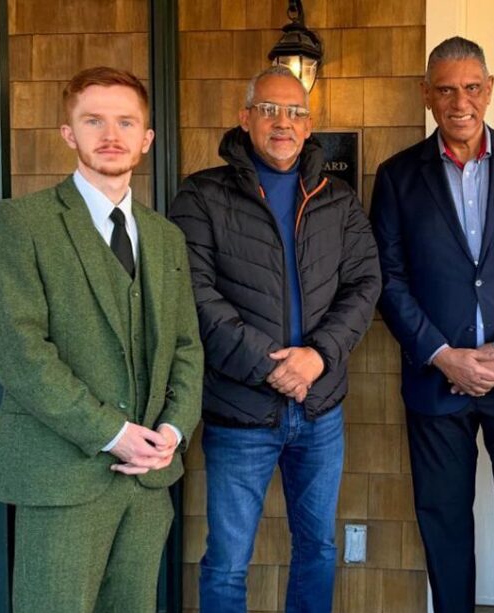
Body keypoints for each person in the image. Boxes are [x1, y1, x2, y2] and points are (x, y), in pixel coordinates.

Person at [0, 66, 203, 612]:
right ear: (68, 133)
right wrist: (112, 432)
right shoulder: (21, 222)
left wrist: (172, 430)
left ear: (146, 139)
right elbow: (20, 351)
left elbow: (185, 347)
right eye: (93, 121)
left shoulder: (165, 237)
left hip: (148, 480)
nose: (111, 135)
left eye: (126, 122)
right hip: (60, 476)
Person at [370, 37, 494, 613]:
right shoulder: (396, 176)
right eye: (445, 89)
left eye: (470, 88)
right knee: (443, 525)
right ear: (426, 94)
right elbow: (387, 278)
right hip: (436, 380)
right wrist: (443, 355)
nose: (459, 102)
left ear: (489, 89)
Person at [169, 65, 380, 613]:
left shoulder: (337, 199)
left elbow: (365, 284)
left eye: (295, 112)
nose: (282, 122)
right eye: (269, 110)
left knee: (318, 548)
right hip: (239, 411)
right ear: (245, 118)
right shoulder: (202, 195)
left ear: (309, 126)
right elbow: (193, 295)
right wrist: (271, 366)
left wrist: (319, 356)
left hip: (319, 410)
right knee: (227, 562)